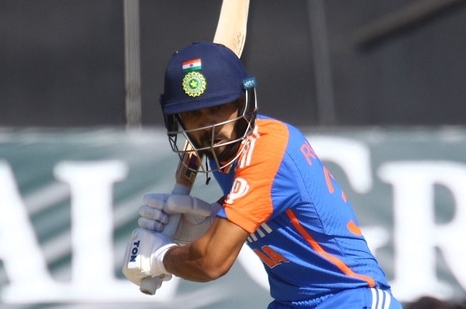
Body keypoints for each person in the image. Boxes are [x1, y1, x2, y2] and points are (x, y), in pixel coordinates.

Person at [122, 41, 402, 309]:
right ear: (177, 121)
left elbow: (211, 262)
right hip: (292, 303)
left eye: (218, 108)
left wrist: (160, 257)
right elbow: (263, 209)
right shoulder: (227, 153)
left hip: (348, 297)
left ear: (244, 102)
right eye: (194, 115)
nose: (209, 126)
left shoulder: (267, 148)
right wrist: (208, 222)